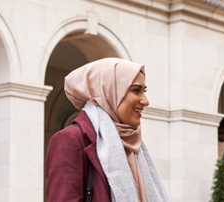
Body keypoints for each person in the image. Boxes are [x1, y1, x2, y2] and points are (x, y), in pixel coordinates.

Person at [45, 58, 168, 202]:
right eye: (136, 90)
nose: (145, 101)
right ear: (109, 91)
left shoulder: (133, 145)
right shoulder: (71, 140)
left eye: (144, 91)